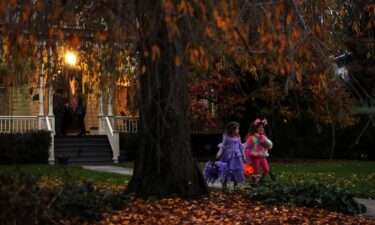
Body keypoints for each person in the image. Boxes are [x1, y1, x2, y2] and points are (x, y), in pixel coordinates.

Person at [216, 121, 246, 190]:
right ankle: (224, 186)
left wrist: (243, 156)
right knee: (226, 170)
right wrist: (219, 153)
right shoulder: (226, 137)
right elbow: (223, 146)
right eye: (237, 129)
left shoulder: (238, 138)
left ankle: (235, 186)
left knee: (236, 170)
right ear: (232, 129)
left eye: (238, 129)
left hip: (237, 157)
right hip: (228, 157)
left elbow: (241, 147)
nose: (238, 130)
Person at [245, 118, 273, 185]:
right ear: (255, 128)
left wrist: (265, 141)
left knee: (266, 169)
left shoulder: (264, 137)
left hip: (263, 156)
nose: (261, 129)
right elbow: (247, 147)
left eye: (262, 127)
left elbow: (269, 145)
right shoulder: (252, 138)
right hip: (255, 157)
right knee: (256, 171)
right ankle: (254, 183)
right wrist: (247, 157)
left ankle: (260, 181)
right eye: (259, 127)